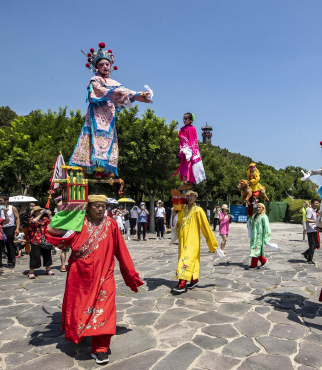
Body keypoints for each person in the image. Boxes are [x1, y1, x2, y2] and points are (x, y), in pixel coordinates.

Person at [45, 194, 143, 365]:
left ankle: (100, 349)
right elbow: (53, 231)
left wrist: (130, 273)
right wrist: (69, 213)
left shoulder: (111, 224)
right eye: (97, 206)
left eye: (103, 206)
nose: (100, 209)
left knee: (105, 310)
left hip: (105, 275)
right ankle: (80, 332)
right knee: (80, 309)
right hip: (80, 277)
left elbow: (121, 251)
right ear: (88, 207)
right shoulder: (77, 223)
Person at [69, 43, 152, 178]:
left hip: (109, 117)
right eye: (101, 64)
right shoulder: (95, 79)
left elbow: (128, 93)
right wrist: (116, 92)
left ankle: (106, 169)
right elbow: (99, 91)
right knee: (94, 138)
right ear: (96, 66)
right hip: (96, 115)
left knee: (110, 140)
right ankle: (96, 168)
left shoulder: (114, 82)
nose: (105, 67)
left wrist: (142, 95)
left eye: (107, 64)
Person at [172, 190, 220, 294]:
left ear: (196, 197)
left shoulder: (198, 210)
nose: (189, 198)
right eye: (188, 196)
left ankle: (182, 284)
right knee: (190, 259)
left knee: (186, 260)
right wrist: (175, 212)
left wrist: (214, 245)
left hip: (193, 241)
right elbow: (177, 223)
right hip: (183, 240)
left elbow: (205, 227)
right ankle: (194, 280)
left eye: (192, 196)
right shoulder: (183, 209)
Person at [174, 113, 206, 188]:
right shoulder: (182, 129)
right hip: (184, 149)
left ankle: (189, 180)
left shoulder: (192, 128)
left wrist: (191, 150)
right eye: (184, 118)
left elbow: (193, 139)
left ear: (190, 120)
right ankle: (185, 179)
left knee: (190, 165)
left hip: (190, 149)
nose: (184, 120)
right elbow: (181, 138)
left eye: (186, 119)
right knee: (184, 165)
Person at [28, 206, 54, 279]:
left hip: (45, 239)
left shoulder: (45, 219)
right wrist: (39, 215)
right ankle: (31, 271)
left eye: (40, 211)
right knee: (35, 255)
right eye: (38, 211)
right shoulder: (31, 219)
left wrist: (50, 216)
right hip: (35, 239)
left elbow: (53, 224)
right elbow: (32, 223)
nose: (40, 212)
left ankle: (48, 269)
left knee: (47, 254)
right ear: (34, 212)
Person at [0, 195, 20, 269]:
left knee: (10, 245)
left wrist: (17, 228)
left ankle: (11, 261)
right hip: (0, 227)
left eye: (1, 200)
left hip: (9, 227)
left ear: (6, 201)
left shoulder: (12, 208)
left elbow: (17, 218)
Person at [248, 203, 272, 269]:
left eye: (260, 207)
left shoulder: (264, 216)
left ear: (263, 209)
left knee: (255, 249)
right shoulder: (255, 215)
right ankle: (263, 261)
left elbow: (267, 227)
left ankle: (254, 265)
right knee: (257, 249)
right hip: (254, 236)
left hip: (259, 236)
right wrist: (250, 219)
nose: (258, 209)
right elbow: (252, 223)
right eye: (257, 207)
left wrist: (266, 237)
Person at [302, 199, 320, 264]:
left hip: (314, 229)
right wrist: (315, 221)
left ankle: (306, 253)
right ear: (312, 203)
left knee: (316, 244)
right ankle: (309, 259)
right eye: (316, 203)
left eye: (317, 203)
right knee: (312, 245)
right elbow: (307, 220)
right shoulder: (309, 210)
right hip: (310, 230)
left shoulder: (314, 210)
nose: (317, 205)